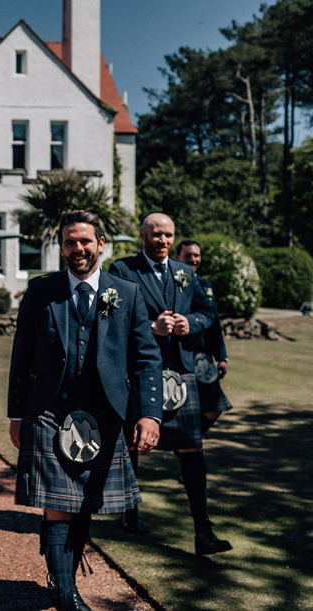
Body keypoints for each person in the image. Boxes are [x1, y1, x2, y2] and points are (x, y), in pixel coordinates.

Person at [8, 211, 162, 611]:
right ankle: (65, 593)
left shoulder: (125, 293)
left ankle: (64, 580)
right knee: (59, 502)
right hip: (49, 411)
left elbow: (146, 358)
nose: (78, 249)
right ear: (61, 247)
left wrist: (149, 413)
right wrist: (16, 415)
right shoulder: (41, 291)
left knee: (86, 502)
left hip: (105, 413)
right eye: (69, 242)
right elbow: (21, 355)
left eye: (84, 241)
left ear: (101, 243)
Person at [109, 213, 232, 555]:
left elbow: (209, 314)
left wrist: (188, 323)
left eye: (168, 235)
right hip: (139, 371)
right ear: (142, 235)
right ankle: (130, 510)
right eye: (156, 234)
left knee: (193, 449)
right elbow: (114, 319)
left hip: (182, 372)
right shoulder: (123, 270)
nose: (162, 240)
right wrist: (151, 327)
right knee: (134, 445)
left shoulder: (186, 273)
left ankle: (203, 532)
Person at [176, 240, 233, 432]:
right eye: (188, 255)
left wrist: (222, 356)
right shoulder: (173, 284)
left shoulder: (205, 285)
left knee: (214, 406)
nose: (193, 259)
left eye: (196, 255)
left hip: (203, 357)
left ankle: (191, 439)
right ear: (177, 258)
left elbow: (214, 323)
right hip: (180, 354)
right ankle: (187, 444)